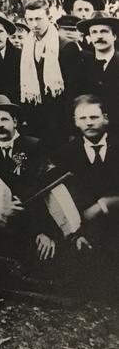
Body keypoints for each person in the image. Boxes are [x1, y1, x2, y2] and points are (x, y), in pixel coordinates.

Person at [0, 95, 61, 265]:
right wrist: (1, 209)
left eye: (4, 119)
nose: (0, 124)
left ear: (14, 122)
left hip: (35, 224)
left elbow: (48, 191)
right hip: (3, 227)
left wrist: (46, 232)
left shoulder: (34, 146)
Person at [50, 95, 119, 289]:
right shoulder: (65, 154)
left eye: (94, 117)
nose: (89, 123)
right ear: (75, 122)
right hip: (85, 225)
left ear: (105, 118)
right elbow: (61, 197)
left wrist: (104, 204)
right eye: (82, 118)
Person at [20, 0, 69, 147]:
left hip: (58, 117)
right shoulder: (27, 45)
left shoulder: (65, 45)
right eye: (30, 19)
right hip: (35, 116)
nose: (34, 24)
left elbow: (71, 88)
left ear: (49, 18)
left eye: (39, 19)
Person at [77, 12, 119, 134]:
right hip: (89, 134)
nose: (99, 36)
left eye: (104, 31)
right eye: (94, 32)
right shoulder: (82, 65)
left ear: (114, 36)